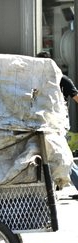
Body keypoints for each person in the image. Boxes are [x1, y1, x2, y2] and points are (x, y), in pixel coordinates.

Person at [37, 52, 78, 198]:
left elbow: (75, 96)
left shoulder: (61, 80)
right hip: (40, 124)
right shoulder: (37, 79)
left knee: (61, 156)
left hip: (57, 125)